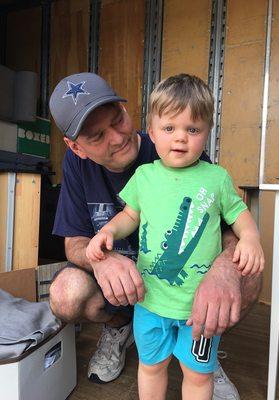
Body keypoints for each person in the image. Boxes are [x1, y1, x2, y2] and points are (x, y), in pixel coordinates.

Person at [48, 72, 262, 399]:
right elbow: (103, 228)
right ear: (76, 147)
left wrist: (233, 260)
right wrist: (103, 252)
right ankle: (119, 327)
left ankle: (204, 349)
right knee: (68, 294)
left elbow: (230, 219)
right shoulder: (128, 174)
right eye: (97, 135)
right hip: (144, 297)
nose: (117, 138)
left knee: (248, 274)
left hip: (190, 294)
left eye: (118, 119)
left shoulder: (194, 163)